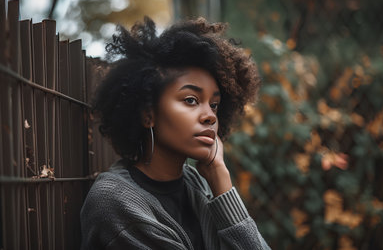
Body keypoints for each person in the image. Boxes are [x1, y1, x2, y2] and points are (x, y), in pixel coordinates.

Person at [80, 16, 271, 250]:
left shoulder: (195, 184)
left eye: (214, 105)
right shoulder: (115, 201)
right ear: (147, 114)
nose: (210, 116)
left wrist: (220, 179)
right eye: (191, 100)